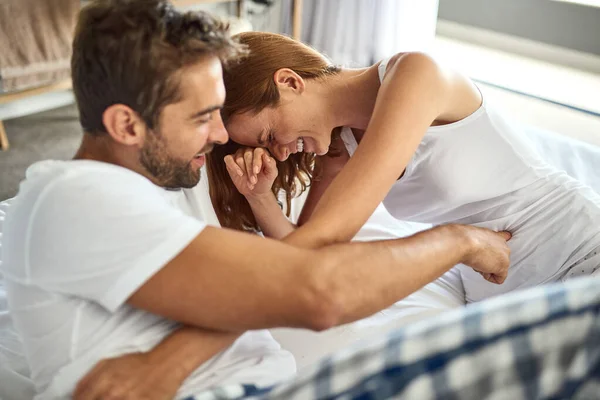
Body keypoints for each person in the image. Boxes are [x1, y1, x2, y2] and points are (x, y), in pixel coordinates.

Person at [0, 1, 512, 399]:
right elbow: (319, 292)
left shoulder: (129, 197)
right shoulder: (77, 198)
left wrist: (171, 361)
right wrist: (459, 240)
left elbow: (267, 282)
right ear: (125, 125)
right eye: (203, 117)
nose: (222, 135)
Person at [209, 31, 600, 303]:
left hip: (575, 252)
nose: (279, 154)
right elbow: (310, 251)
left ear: (290, 82)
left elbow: (314, 244)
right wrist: (259, 198)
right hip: (492, 291)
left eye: (269, 136)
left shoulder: (416, 75)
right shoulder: (340, 147)